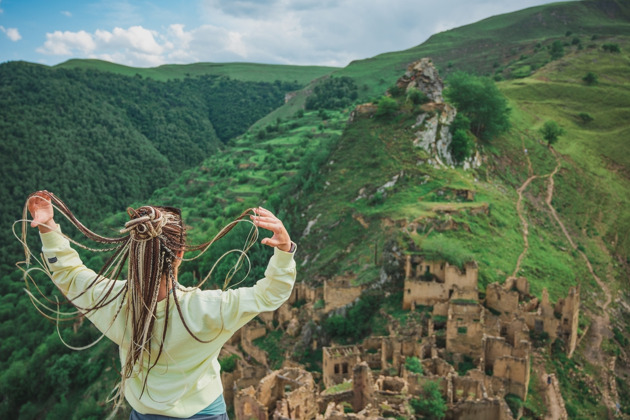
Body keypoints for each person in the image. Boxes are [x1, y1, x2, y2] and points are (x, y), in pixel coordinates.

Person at [25, 191, 297, 420]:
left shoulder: (113, 301)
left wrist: (48, 226)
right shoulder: (211, 308)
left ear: (134, 249)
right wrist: (284, 248)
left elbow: (69, 275)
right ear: (179, 253)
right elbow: (271, 293)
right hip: (206, 413)